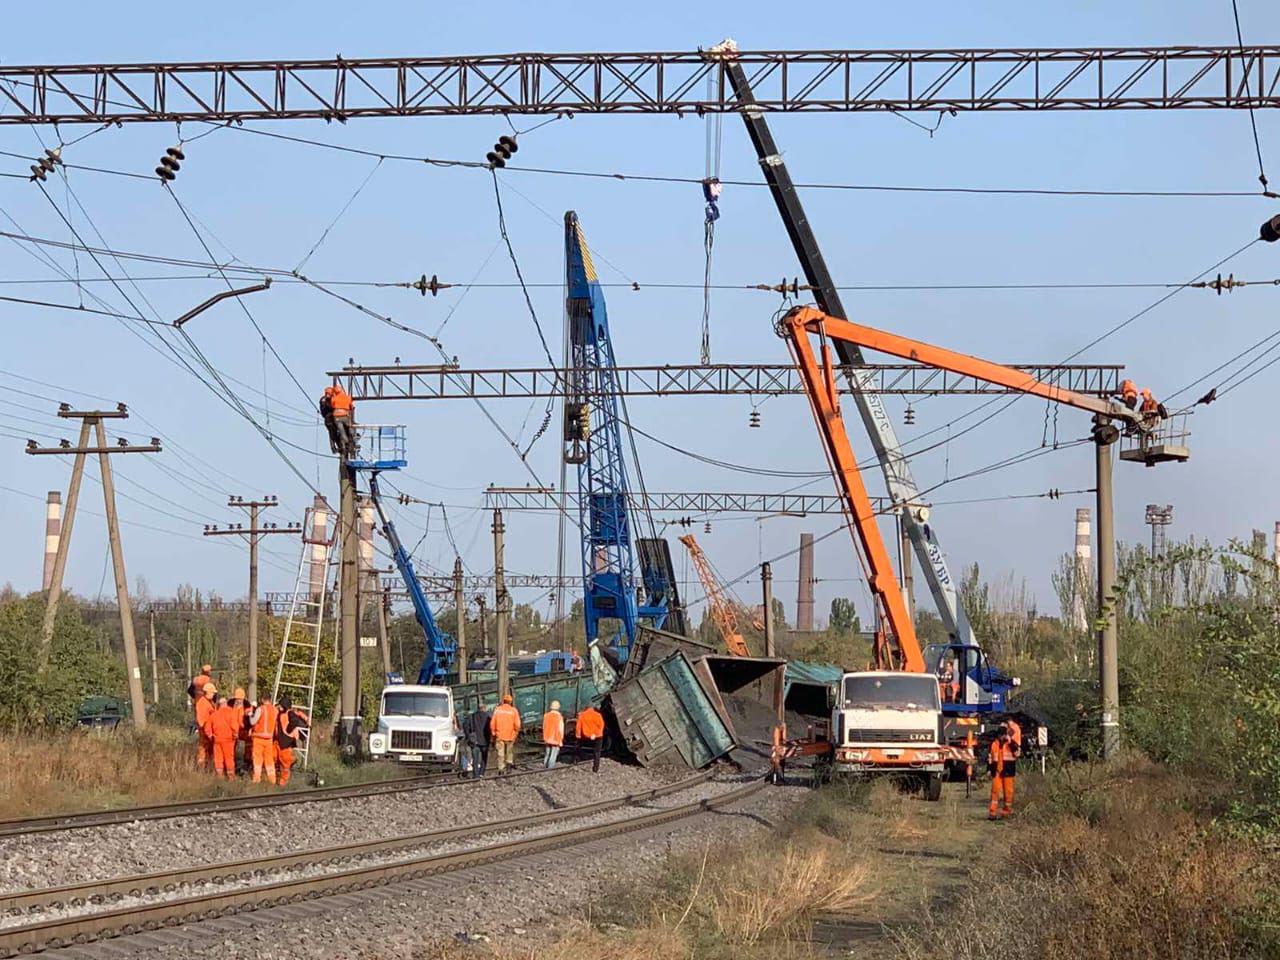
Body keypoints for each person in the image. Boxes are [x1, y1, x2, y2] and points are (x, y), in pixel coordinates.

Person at [987, 722, 1020, 820]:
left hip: (1008, 770)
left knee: (1008, 792)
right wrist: (989, 769)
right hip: (997, 771)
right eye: (1000, 734)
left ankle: (1007, 812)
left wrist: (1010, 743)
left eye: (1003, 734)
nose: (1002, 736)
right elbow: (990, 758)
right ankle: (992, 813)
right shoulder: (993, 744)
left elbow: (1017, 754)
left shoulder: (1011, 744)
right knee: (995, 790)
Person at [275, 695, 309, 787]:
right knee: (278, 759)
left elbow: (294, 721)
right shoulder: (281, 713)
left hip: (286, 741)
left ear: (285, 706)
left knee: (285, 762)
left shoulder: (290, 713)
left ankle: (283, 782)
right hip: (280, 740)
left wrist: (289, 729)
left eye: (281, 706)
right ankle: (291, 761)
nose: (279, 707)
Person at [206, 694, 241, 780]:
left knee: (218, 759)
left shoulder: (214, 714)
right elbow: (234, 726)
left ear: (219, 705)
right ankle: (231, 777)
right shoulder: (231, 712)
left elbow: (207, 728)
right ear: (225, 703)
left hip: (217, 740)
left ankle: (219, 776)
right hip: (228, 740)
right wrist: (235, 735)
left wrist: (211, 736)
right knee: (229, 758)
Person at [249, 693, 280, 784]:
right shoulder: (275, 710)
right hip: (269, 739)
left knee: (257, 760)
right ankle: (272, 780)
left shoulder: (260, 709)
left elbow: (252, 722)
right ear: (270, 699)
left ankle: (257, 779)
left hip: (258, 738)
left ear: (262, 699)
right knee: (269, 760)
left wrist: (250, 714)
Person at [489, 693, 521, 774]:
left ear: (503, 701)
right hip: (510, 735)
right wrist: (516, 733)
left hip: (499, 735)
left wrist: (493, 733)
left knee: (500, 753)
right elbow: (517, 725)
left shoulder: (497, 710)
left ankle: (501, 769)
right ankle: (509, 767)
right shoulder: (514, 710)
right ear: (510, 702)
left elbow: (492, 723)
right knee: (509, 752)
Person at [575, 703, 606, 773]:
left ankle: (576, 760)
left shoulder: (581, 715)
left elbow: (578, 727)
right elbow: (601, 725)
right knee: (597, 752)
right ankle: (596, 768)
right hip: (597, 736)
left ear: (586, 708)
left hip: (585, 735)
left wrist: (578, 736)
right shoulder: (598, 715)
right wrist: (596, 734)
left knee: (578, 747)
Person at [193, 683, 217, 772]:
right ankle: (201, 768)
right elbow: (201, 719)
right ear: (207, 692)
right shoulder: (202, 703)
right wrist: (206, 730)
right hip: (204, 730)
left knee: (209, 750)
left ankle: (208, 767)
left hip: (209, 729)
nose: (214, 694)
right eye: (212, 692)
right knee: (203, 749)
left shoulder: (209, 702)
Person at [465, 701, 491, 778]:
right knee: (484, 758)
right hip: (485, 741)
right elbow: (490, 728)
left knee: (475, 759)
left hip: (474, 741)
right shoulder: (488, 717)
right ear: (484, 708)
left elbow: (466, 726)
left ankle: (476, 774)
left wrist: (468, 736)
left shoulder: (472, 716)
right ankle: (481, 773)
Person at [330, 384, 355, 456]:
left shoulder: (334, 398)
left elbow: (332, 405)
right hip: (345, 415)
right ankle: (352, 438)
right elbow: (351, 406)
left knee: (341, 431)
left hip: (336, 416)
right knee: (350, 427)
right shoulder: (348, 397)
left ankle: (345, 440)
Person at [542, 701, 565, 769]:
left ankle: (545, 765)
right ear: (558, 707)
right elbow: (561, 729)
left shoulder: (546, 715)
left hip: (547, 737)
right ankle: (550, 768)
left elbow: (544, 727)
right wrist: (561, 739)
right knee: (553, 754)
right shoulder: (559, 717)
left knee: (547, 753)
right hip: (555, 738)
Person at [319, 387, 339, 454]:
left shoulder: (324, 399)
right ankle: (334, 448)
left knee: (333, 433)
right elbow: (330, 407)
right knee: (332, 433)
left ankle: (337, 447)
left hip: (330, 418)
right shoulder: (325, 400)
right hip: (329, 419)